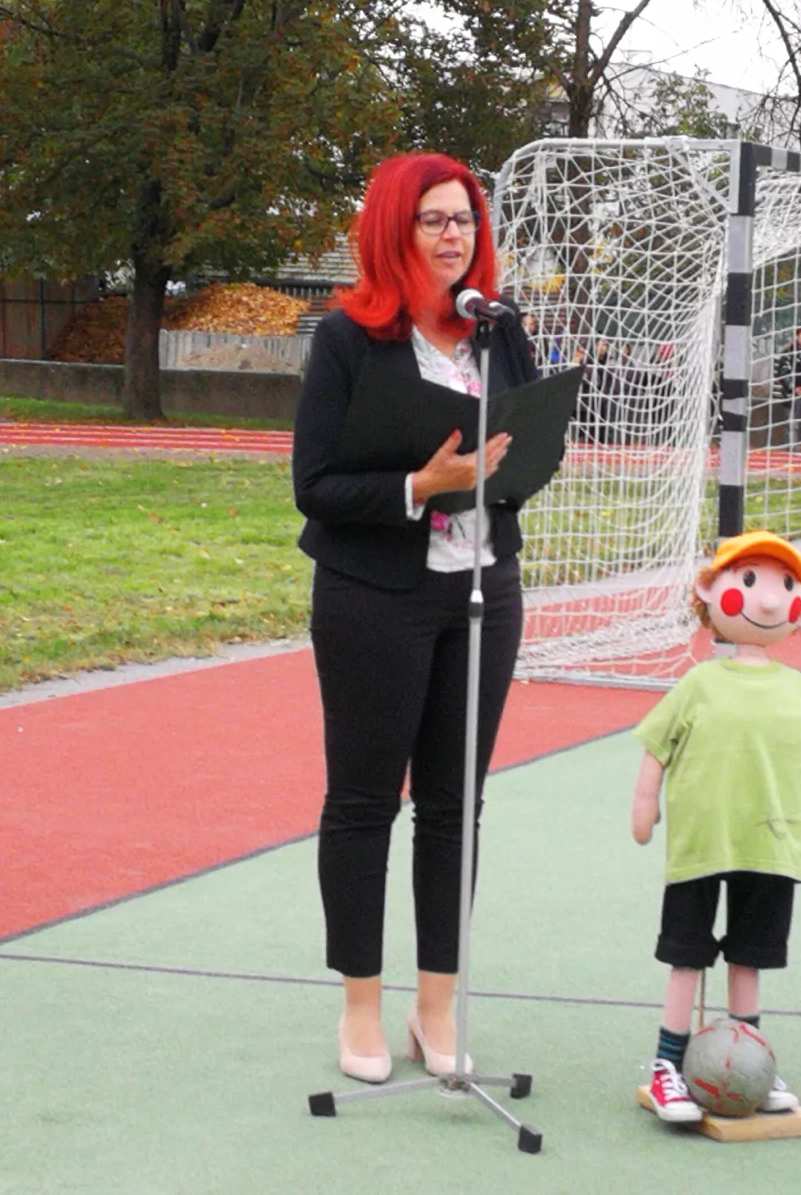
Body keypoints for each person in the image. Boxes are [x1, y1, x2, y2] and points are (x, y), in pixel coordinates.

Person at [291, 152, 538, 1085]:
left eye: (465, 220)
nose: (453, 236)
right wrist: (418, 486)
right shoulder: (350, 341)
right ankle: (362, 1004)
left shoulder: (499, 333)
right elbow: (313, 485)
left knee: (454, 807)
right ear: (396, 231)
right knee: (364, 802)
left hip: (483, 588)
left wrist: (512, 466)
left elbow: (523, 452)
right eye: (434, 220)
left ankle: (437, 1009)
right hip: (372, 596)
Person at [632, 532, 801, 1123]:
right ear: (710, 594)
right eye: (749, 583)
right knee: (686, 956)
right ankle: (667, 1066)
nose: (768, 601)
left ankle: (750, 1063)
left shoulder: (800, 689)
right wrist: (645, 802)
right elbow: (656, 747)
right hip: (701, 843)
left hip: (770, 846)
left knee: (750, 959)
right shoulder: (698, 682)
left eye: (783, 586)